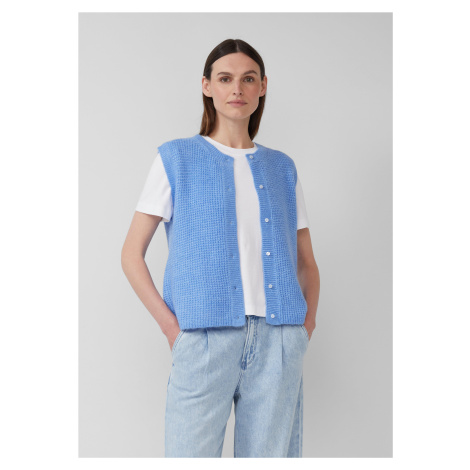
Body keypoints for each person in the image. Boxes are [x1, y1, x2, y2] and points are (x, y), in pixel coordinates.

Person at [121, 38, 320, 458]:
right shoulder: (176, 158)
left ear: (262, 87)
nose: (237, 89)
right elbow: (131, 255)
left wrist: (305, 327)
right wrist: (172, 329)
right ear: (207, 86)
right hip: (203, 340)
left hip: (279, 341)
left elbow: (306, 262)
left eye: (248, 79)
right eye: (225, 79)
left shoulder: (282, 168)